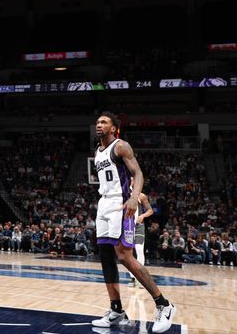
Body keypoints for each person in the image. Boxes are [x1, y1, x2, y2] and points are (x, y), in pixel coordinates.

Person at [90, 112, 176, 333]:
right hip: (105, 204)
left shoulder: (121, 146)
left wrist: (132, 197)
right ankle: (116, 309)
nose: (99, 125)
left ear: (113, 128)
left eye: (104, 122)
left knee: (124, 256)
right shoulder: (97, 152)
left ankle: (163, 305)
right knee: (106, 256)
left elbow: (138, 174)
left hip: (122, 203)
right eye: (98, 122)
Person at [130, 179, 154, 286]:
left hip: (139, 226)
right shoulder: (122, 194)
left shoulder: (141, 196)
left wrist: (143, 215)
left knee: (139, 250)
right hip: (128, 226)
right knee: (129, 253)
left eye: (132, 180)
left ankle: (141, 279)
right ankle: (132, 278)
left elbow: (150, 210)